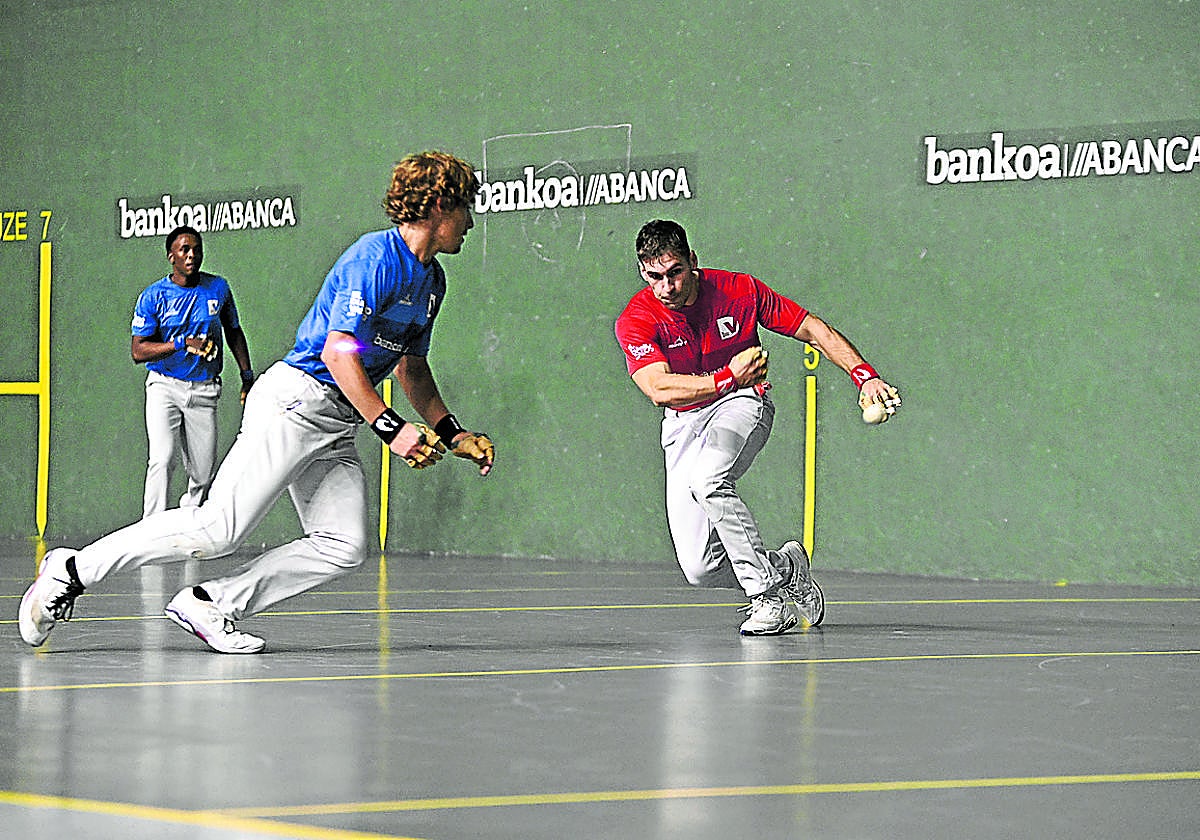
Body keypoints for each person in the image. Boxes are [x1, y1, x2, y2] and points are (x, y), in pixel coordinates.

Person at [20, 151, 495, 654]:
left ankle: (212, 603)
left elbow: (410, 366)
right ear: (438, 206)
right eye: (465, 207)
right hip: (295, 403)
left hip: (339, 420)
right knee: (216, 529)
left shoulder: (432, 282)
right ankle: (72, 570)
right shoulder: (373, 259)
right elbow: (338, 352)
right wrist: (391, 428)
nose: (470, 221)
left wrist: (452, 432)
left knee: (343, 543)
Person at [614, 219, 900, 635]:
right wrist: (726, 376)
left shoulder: (739, 290)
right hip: (684, 421)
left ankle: (767, 599)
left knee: (709, 480)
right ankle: (787, 567)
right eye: (654, 277)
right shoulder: (637, 318)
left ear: (692, 261)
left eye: (675, 272)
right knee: (700, 568)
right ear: (643, 273)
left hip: (742, 402)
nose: (667, 287)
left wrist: (864, 376)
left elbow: (812, 329)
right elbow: (658, 389)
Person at [132, 226, 255, 518]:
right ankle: (151, 529)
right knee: (161, 459)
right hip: (164, 386)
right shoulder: (154, 296)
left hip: (204, 390)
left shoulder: (218, 288)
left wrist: (247, 376)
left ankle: (189, 527)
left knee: (202, 474)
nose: (191, 255)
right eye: (184, 250)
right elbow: (138, 351)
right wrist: (181, 343)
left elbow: (233, 331)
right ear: (171, 256)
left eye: (196, 249)